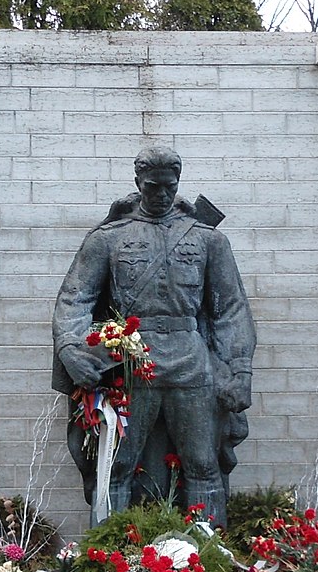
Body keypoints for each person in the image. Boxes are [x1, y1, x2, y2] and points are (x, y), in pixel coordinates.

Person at [52, 146, 255, 527]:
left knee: (202, 464)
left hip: (191, 363)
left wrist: (240, 371)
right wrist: (70, 348)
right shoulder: (108, 239)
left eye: (169, 186)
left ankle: (209, 561)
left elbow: (231, 308)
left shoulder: (208, 240)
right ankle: (108, 563)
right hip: (131, 364)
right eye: (152, 186)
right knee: (117, 465)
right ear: (138, 184)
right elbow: (75, 298)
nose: (161, 194)